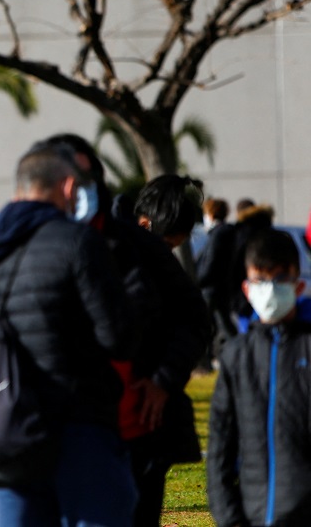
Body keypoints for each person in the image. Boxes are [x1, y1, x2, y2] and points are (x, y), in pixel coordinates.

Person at [0, 141, 140, 526]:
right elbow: (118, 336)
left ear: (20, 188)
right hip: (80, 428)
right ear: (68, 187)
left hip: (10, 433)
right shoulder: (77, 242)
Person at [208, 229, 311, 526]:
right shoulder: (237, 357)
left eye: (279, 280)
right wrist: (229, 518)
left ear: (298, 285)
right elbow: (220, 449)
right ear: (247, 287)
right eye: (261, 280)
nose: (269, 289)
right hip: (250, 514)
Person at [127, 173, 209, 527]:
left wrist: (162, 380)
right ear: (145, 224)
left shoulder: (156, 261)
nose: (170, 252)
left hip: (145, 417)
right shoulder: (122, 252)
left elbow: (196, 322)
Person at [195, 198, 237, 360]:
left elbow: (211, 262)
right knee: (222, 323)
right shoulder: (225, 233)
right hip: (219, 287)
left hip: (212, 288)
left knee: (208, 324)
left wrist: (198, 281)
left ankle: (204, 359)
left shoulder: (218, 235)